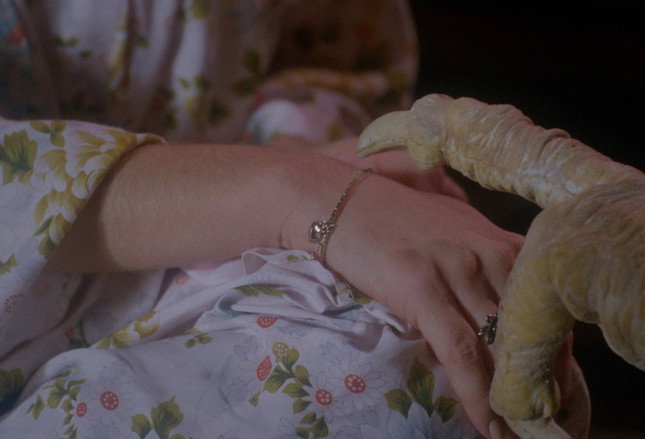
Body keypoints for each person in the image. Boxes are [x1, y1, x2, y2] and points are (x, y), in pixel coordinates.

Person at [0, 1, 588, 438]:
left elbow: (324, 49)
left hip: (233, 229)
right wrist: (292, 190)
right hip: (32, 263)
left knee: (438, 354)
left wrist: (310, 155)